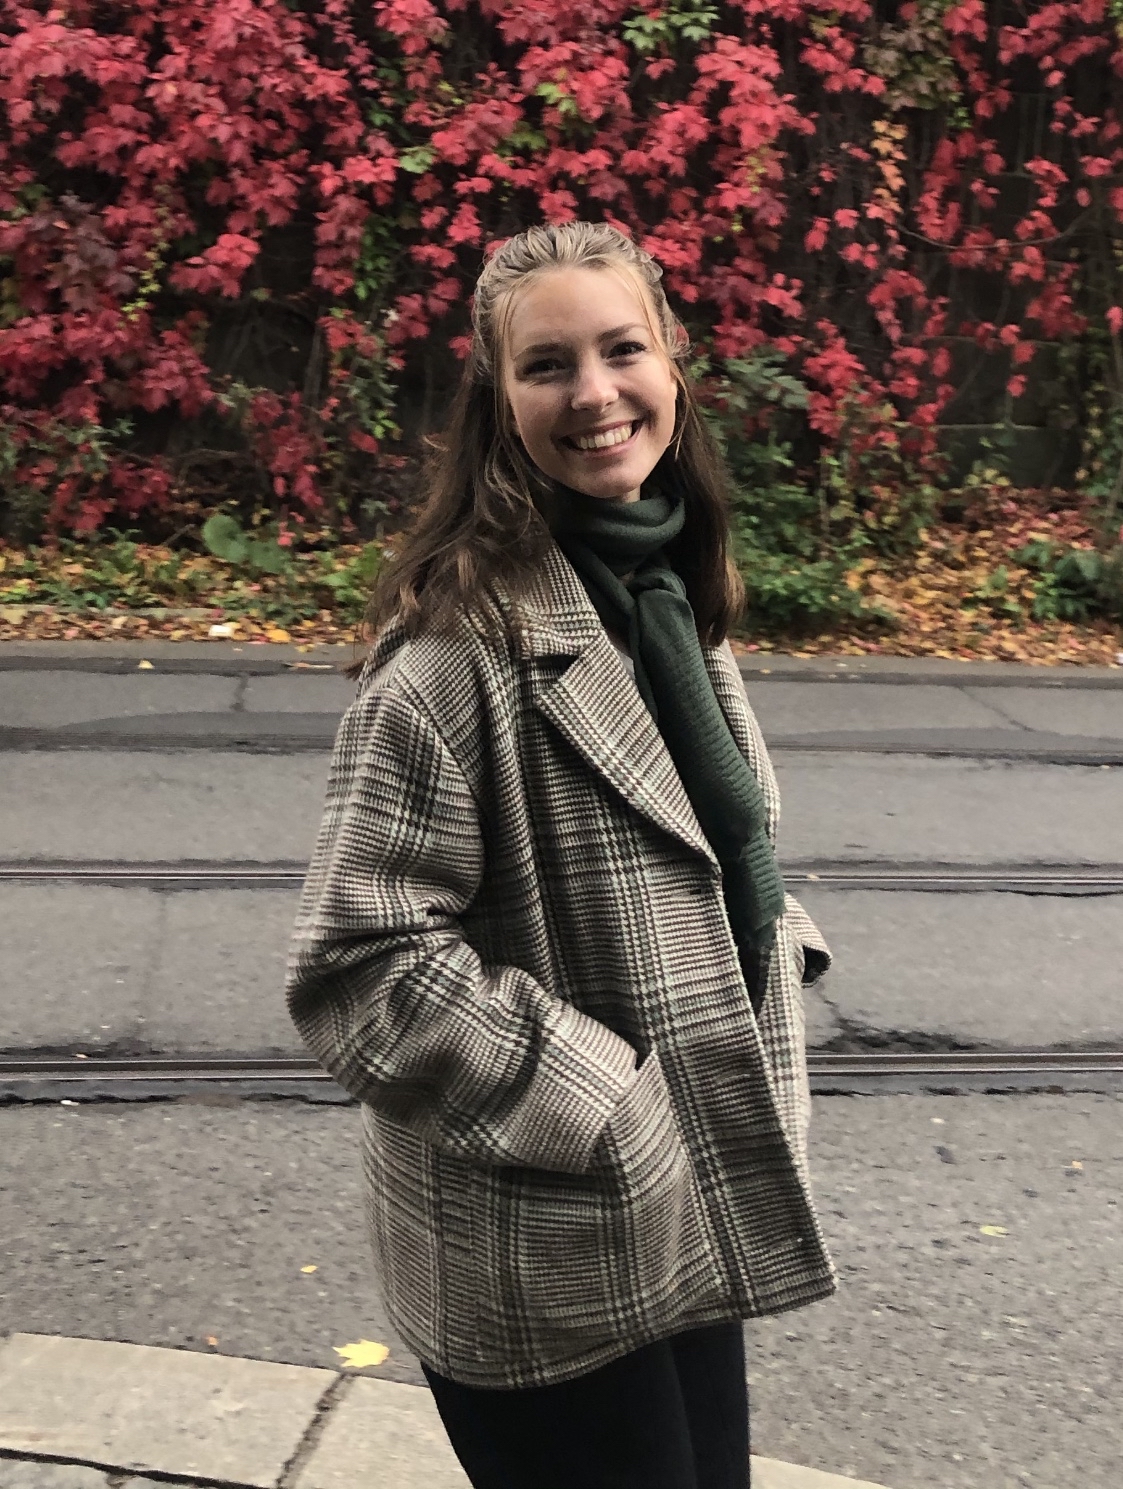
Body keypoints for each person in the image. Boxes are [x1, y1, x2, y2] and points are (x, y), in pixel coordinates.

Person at [285, 220, 836, 1489]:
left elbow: (708, 840)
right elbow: (358, 969)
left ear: (673, 363)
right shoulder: (448, 658)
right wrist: (607, 1101)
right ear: (498, 399)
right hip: (544, 1235)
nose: (594, 393)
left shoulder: (664, 588)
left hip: (687, 1183)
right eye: (547, 365)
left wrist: (771, 945)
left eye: (621, 349)